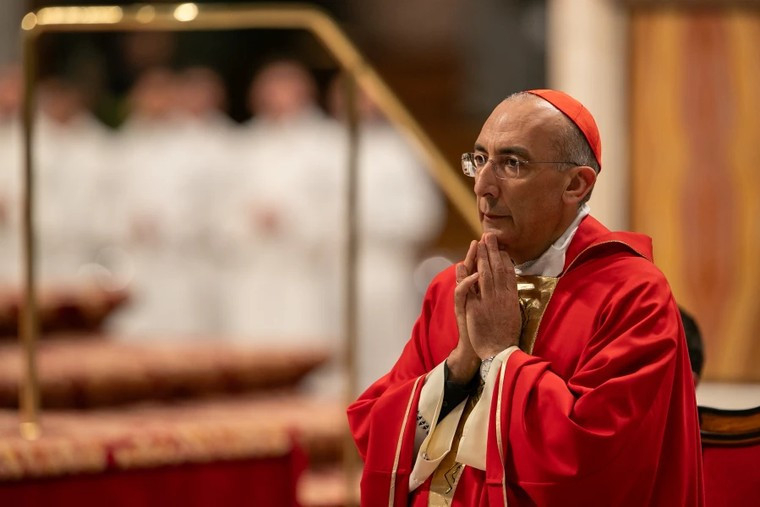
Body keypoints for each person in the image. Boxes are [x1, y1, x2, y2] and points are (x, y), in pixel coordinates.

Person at [347, 90, 703, 505]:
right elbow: (377, 435)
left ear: (576, 184)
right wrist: (460, 367)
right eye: (479, 159)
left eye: (512, 164)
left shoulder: (631, 295)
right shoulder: (456, 286)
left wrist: (500, 354)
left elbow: (594, 463)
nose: (483, 185)